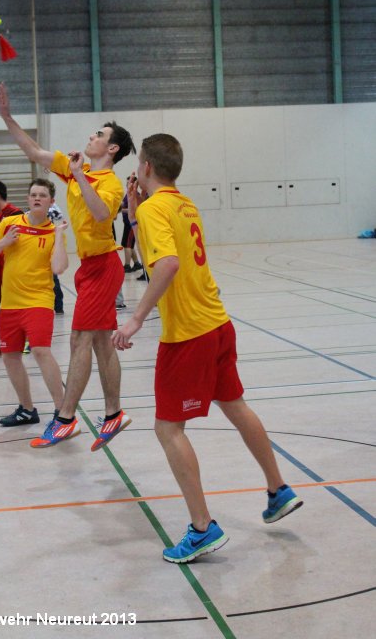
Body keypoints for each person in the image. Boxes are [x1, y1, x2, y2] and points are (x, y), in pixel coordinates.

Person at [113, 134, 303, 564]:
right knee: (235, 405)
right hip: (218, 323)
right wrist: (133, 214)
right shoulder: (183, 204)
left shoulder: (155, 208)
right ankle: (278, 489)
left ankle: (202, 528)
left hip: (188, 334)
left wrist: (137, 317)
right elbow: (164, 249)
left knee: (168, 429)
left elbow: (167, 263)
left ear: (145, 167)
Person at [0, 81, 136, 450]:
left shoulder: (110, 182)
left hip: (105, 265)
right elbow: (34, 151)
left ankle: (65, 419)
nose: (91, 137)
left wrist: (78, 175)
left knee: (79, 339)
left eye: (99, 135)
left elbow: (101, 213)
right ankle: (113, 413)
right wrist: (8, 118)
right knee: (101, 342)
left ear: (112, 148)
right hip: (88, 267)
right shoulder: (75, 169)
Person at [0, 178, 68, 426]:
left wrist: (59, 236)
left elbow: (59, 268)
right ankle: (27, 410)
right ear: (28, 199)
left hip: (39, 301)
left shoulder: (54, 232)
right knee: (10, 356)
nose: (37, 198)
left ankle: (63, 411)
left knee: (40, 351)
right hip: (10, 303)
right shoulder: (9, 224)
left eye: (42, 195)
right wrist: (3, 242)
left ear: (51, 201)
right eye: (33, 194)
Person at [121, 183, 142, 273]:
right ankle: (136, 263)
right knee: (127, 244)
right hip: (127, 223)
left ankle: (127, 265)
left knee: (127, 245)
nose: (127, 184)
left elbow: (135, 209)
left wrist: (121, 209)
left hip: (131, 224)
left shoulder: (135, 195)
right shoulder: (129, 194)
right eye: (127, 182)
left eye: (129, 183)